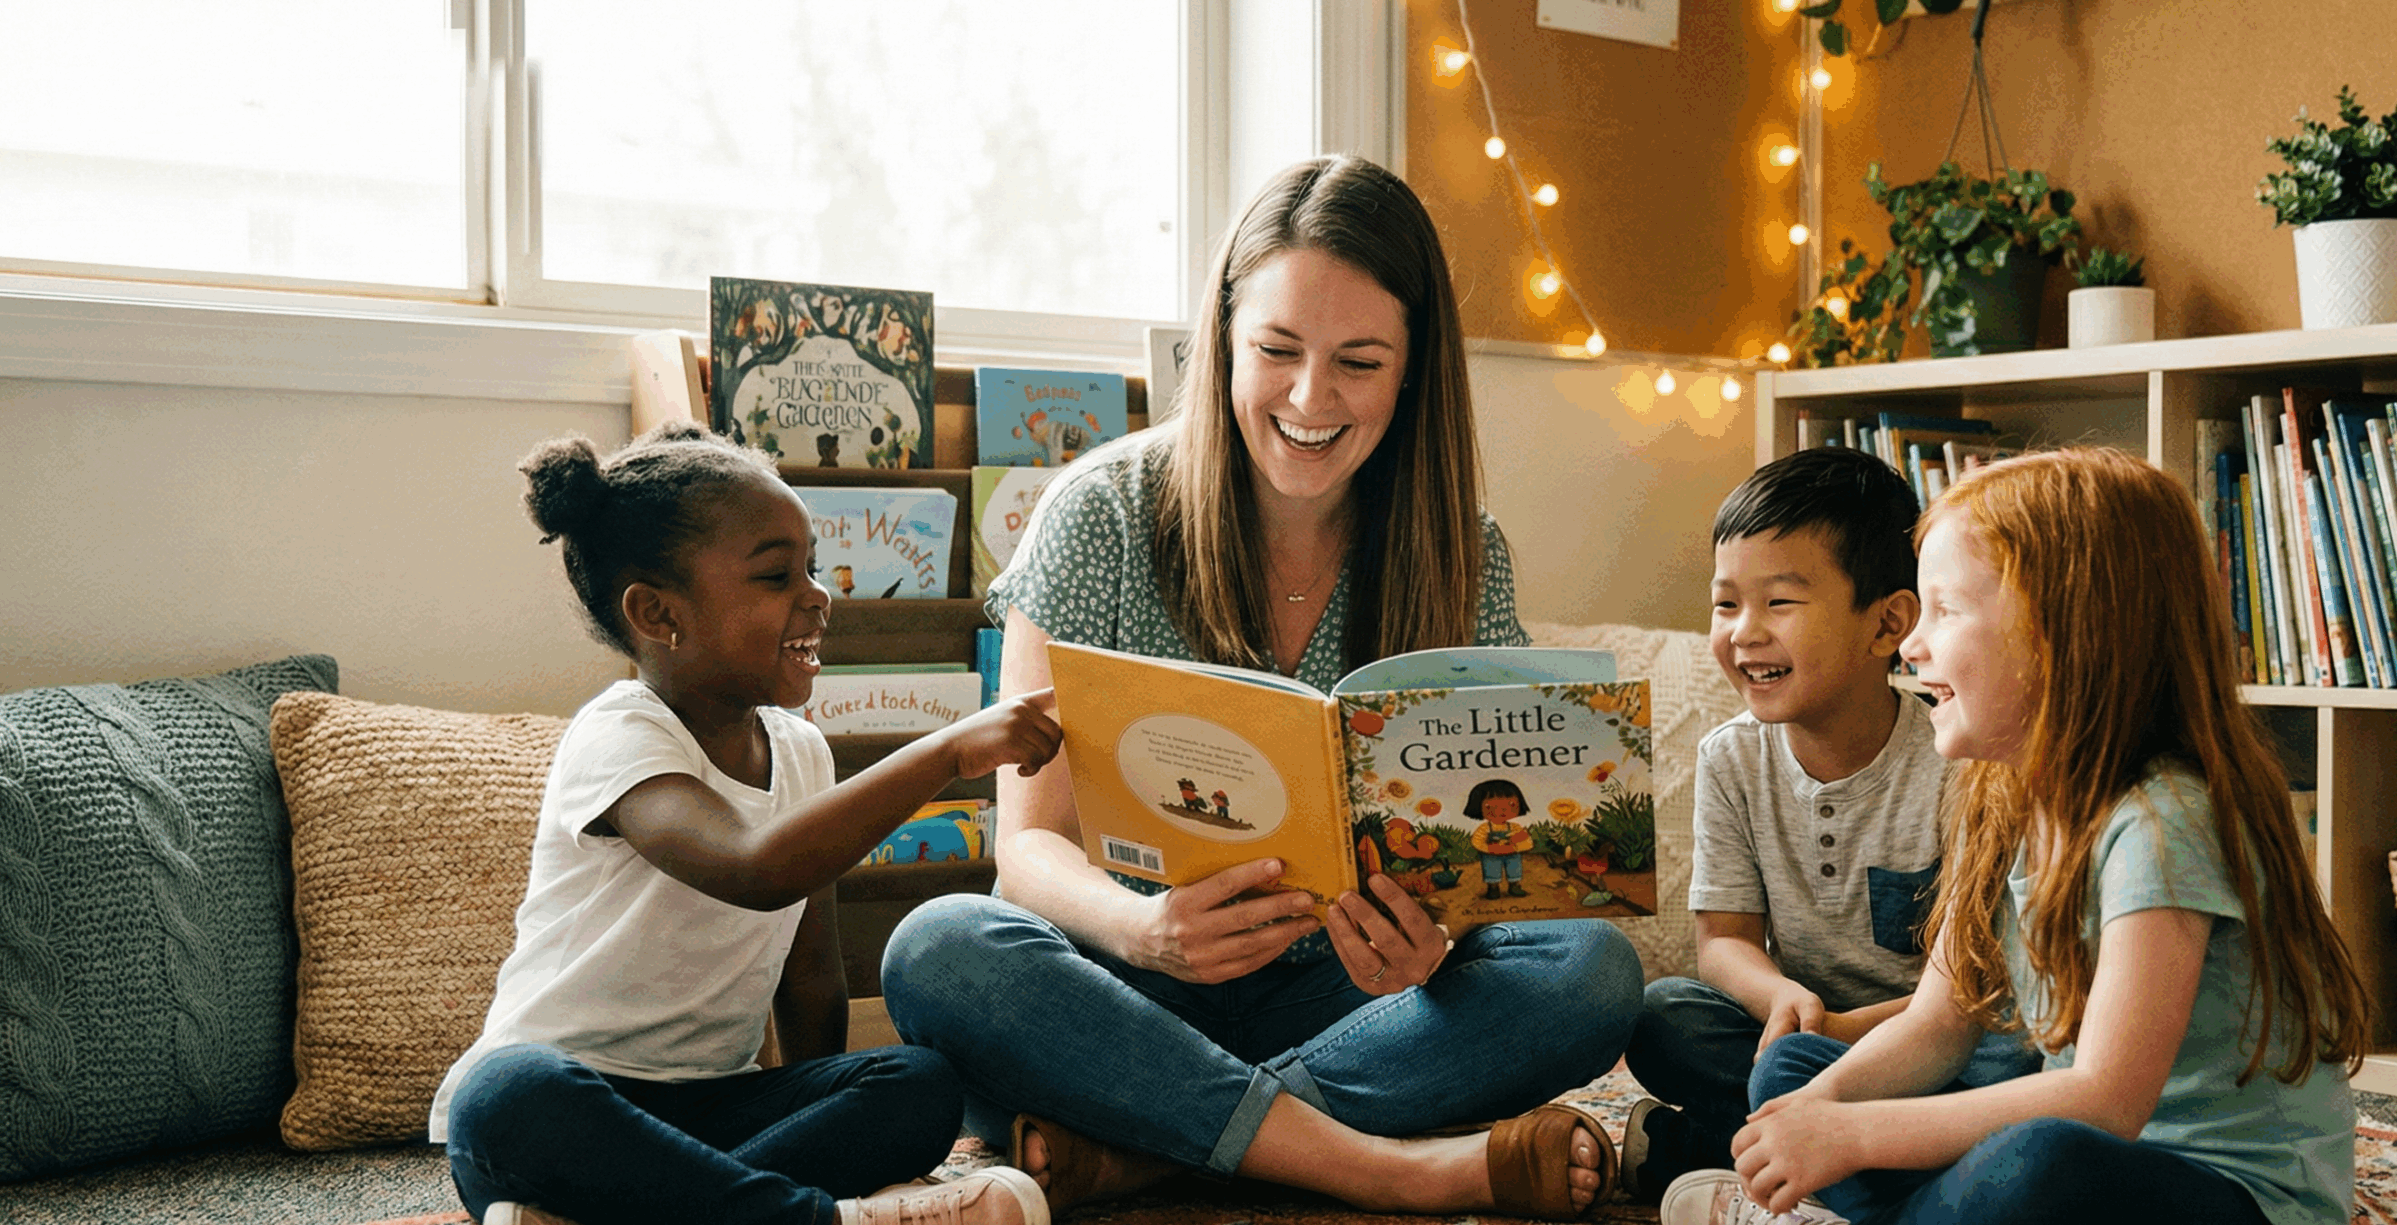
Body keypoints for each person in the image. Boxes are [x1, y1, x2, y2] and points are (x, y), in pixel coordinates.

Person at [880, 154, 1643, 1221]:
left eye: (1359, 362)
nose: (1309, 398)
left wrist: (1440, 936)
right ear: (1222, 341)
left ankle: (1155, 1146)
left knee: (1591, 968)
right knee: (938, 948)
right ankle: (1382, 1165)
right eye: (1276, 350)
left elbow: (1501, 870)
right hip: (1128, 979)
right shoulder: (1099, 512)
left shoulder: (1463, 552)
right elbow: (1028, 849)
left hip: (1350, 999)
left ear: (1414, 368)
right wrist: (1143, 931)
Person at [1666, 448, 2371, 1225]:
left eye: (1946, 611)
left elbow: (2104, 1100)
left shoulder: (2165, 820)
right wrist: (1810, 1113)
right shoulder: (1999, 796)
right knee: (1793, 1071)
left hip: (2226, 1197)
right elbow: (1936, 1026)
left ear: (2062, 630)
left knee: (2036, 1159)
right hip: (2075, 1165)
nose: (1911, 645)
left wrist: (1855, 1132)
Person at [433, 422, 1068, 1225]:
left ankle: (661, 1214)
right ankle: (823, 1219)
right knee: (506, 1093)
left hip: (712, 1109)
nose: (817, 592)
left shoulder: (800, 752)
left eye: (810, 565)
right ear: (657, 613)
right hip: (572, 1107)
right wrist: (945, 751)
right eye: (776, 576)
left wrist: (834, 1105)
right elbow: (754, 867)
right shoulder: (621, 733)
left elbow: (809, 977)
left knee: (917, 1085)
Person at [1619, 447, 2033, 1204]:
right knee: (1664, 1018)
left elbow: (1973, 997)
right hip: (1801, 1031)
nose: (1744, 632)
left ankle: (1718, 1148)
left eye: (1779, 603)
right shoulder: (1732, 758)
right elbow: (1724, 941)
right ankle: (1801, 1148)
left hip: (1930, 1039)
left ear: (1887, 625)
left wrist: (1842, 1032)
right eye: (1725, 603)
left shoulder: (1960, 760)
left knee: (2009, 1065)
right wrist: (1781, 996)